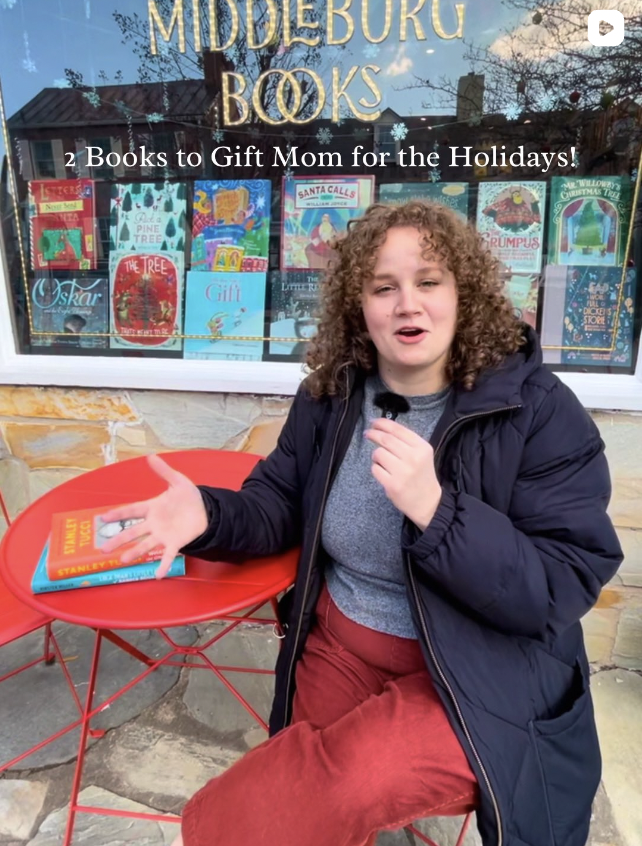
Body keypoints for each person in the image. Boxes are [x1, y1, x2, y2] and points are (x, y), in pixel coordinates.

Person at [100, 200, 622, 846]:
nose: (408, 304)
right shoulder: (333, 395)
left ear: (465, 293)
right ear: (359, 306)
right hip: (343, 646)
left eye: (428, 281)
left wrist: (438, 512)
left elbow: (561, 584)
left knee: (309, 794)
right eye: (383, 288)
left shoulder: (539, 412)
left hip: (478, 672)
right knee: (297, 799)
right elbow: (278, 502)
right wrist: (208, 514)